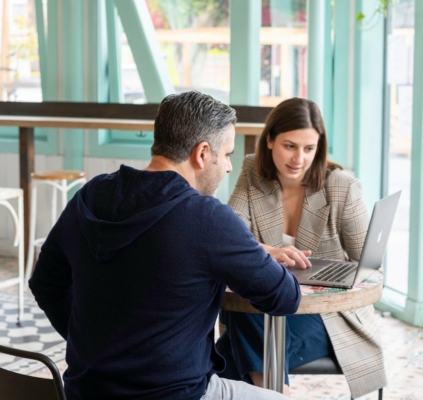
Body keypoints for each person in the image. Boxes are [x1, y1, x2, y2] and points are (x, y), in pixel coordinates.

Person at [29, 91, 301, 400]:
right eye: (226, 154)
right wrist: (254, 251)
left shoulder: (89, 196)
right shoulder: (208, 218)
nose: (228, 167)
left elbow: (45, 283)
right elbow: (284, 297)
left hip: (86, 392)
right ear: (201, 154)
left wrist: (94, 348)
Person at [216, 97, 387, 399]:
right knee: (247, 317)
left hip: (327, 315)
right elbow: (231, 236)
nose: (299, 159)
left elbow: (370, 267)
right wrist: (266, 250)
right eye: (290, 146)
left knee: (222, 353)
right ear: (269, 140)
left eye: (310, 149)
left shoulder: (342, 186)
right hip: (267, 306)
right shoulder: (252, 171)